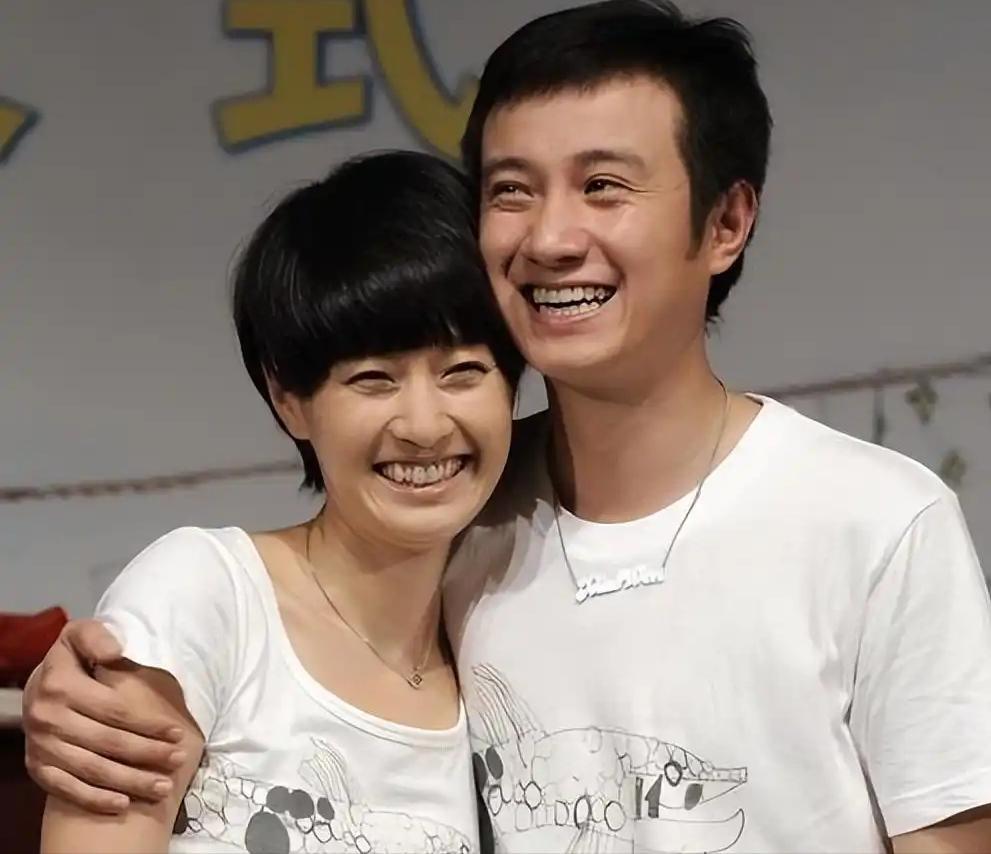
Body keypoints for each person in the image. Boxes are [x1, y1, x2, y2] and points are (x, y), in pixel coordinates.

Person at [24, 2, 991, 852]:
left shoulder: (875, 525)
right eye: (511, 190)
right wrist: (82, 687)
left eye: (602, 185)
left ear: (726, 222)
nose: (550, 238)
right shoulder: (456, 520)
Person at [37, 149, 524, 853]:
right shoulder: (206, 596)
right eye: (373, 378)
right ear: (288, 397)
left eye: (463, 371)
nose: (424, 425)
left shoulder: (504, 658)